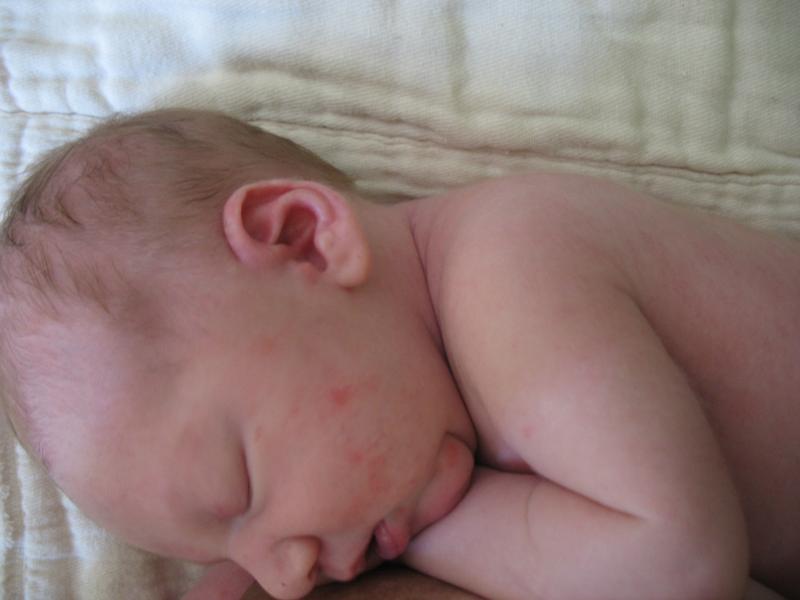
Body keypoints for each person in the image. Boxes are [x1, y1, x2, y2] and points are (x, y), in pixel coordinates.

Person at [0, 109, 797, 600]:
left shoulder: (511, 270)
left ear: (306, 241)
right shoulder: (441, 387)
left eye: (238, 489)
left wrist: (415, 542)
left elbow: (677, 568)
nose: (286, 577)